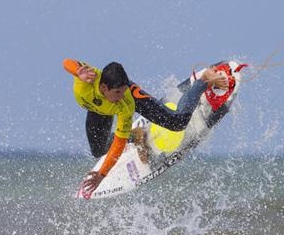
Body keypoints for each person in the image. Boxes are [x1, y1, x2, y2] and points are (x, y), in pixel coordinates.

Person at [63, 58, 229, 198]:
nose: (121, 97)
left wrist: (101, 175)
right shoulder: (86, 80)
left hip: (131, 98)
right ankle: (137, 136)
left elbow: (119, 143)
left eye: (122, 92)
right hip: (98, 108)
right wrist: (77, 71)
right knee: (98, 150)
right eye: (117, 93)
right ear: (104, 88)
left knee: (177, 122)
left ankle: (204, 81)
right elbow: (67, 62)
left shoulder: (126, 102)